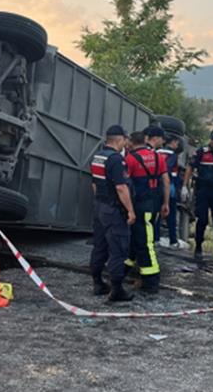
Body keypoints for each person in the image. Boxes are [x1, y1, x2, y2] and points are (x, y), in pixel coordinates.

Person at [89, 125, 137, 302]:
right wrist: (130, 210)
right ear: (120, 140)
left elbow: (94, 183)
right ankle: (116, 290)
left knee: (99, 246)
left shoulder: (97, 156)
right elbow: (121, 187)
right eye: (125, 139)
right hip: (114, 209)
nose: (126, 142)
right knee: (118, 249)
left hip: (100, 206)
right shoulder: (116, 160)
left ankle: (97, 283)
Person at [124, 128, 169, 293]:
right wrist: (166, 203)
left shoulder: (130, 159)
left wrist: (127, 208)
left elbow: (124, 185)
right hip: (154, 203)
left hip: (140, 205)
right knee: (137, 240)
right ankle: (124, 269)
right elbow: (166, 180)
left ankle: (151, 281)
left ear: (132, 143)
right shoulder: (159, 157)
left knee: (145, 243)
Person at [183, 128, 213, 259]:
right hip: (203, 189)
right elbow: (190, 167)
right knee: (202, 219)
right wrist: (185, 185)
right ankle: (198, 246)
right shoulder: (201, 151)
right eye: (212, 139)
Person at [157, 134, 184, 249]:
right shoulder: (172, 155)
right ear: (172, 142)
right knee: (170, 214)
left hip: (155, 186)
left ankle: (156, 238)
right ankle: (173, 241)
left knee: (156, 215)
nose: (177, 146)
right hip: (169, 186)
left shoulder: (156, 152)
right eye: (176, 143)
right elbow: (168, 170)